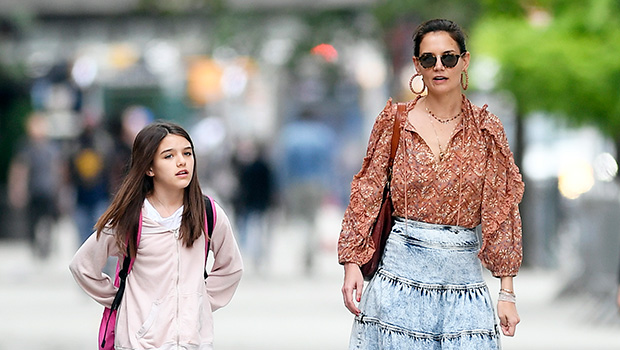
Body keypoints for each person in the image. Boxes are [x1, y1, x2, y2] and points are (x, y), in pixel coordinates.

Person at [338, 19, 523, 349]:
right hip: (399, 281)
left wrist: (506, 292)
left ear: (464, 61)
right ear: (417, 66)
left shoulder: (486, 131)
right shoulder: (394, 121)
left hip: (463, 285)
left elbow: (502, 212)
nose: (439, 67)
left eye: (448, 58)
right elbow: (367, 191)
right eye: (429, 59)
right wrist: (352, 263)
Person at [69, 121, 243, 350]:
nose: (182, 161)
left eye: (187, 153)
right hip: (138, 343)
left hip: (195, 342)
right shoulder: (131, 217)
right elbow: (83, 266)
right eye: (169, 156)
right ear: (149, 168)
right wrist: (120, 301)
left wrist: (199, 302)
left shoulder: (207, 213)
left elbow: (231, 267)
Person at [8, 112, 62, 259]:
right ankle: (36, 245)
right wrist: (17, 189)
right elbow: (19, 169)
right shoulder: (25, 147)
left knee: (49, 220)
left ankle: (47, 244)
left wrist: (60, 189)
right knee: (33, 220)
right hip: (33, 190)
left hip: (49, 190)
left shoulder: (52, 147)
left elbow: (57, 168)